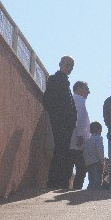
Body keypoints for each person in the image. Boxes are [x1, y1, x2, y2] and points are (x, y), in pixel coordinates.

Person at [43, 56, 77, 189]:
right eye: (68, 65)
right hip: (60, 123)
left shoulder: (64, 82)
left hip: (65, 124)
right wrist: (59, 117)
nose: (70, 68)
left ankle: (59, 182)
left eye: (71, 66)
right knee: (60, 151)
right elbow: (49, 100)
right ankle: (55, 182)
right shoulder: (55, 80)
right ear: (61, 64)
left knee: (62, 151)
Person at [68, 81, 91, 190]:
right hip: (77, 141)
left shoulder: (72, 99)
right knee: (81, 168)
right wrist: (81, 135)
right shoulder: (79, 100)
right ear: (79, 89)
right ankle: (76, 189)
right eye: (86, 89)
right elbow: (80, 118)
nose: (88, 92)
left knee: (70, 165)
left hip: (73, 140)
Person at [83, 121, 105, 190]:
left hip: (89, 163)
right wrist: (102, 161)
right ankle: (96, 195)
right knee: (97, 181)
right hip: (97, 163)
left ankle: (89, 193)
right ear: (99, 130)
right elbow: (100, 151)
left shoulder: (88, 140)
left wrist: (86, 162)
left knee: (91, 180)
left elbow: (85, 152)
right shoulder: (98, 138)